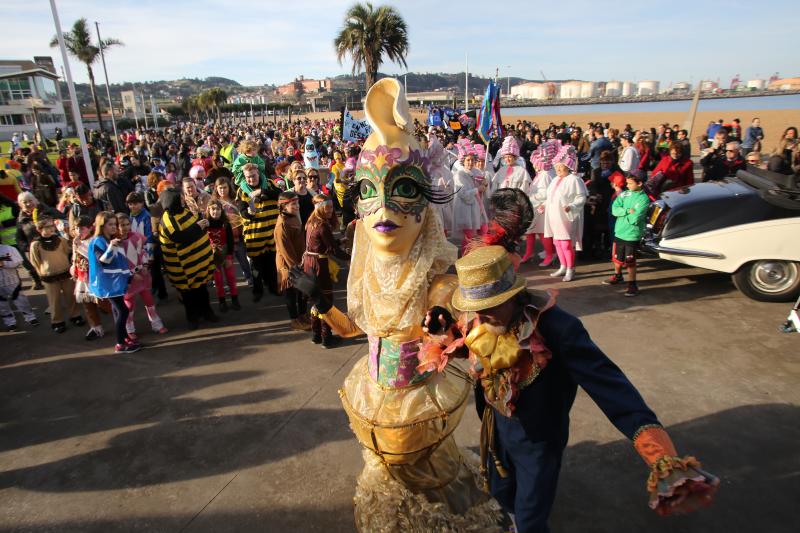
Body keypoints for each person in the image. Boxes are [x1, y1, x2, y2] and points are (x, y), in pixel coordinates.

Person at [289, 78, 499, 531]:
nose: (384, 210)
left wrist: (451, 334)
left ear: (425, 205)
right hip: (377, 402)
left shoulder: (438, 277)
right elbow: (357, 330)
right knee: (391, 487)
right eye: (368, 191)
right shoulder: (367, 274)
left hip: (420, 410)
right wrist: (320, 303)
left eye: (402, 189)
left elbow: (475, 339)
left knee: (427, 483)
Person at [421, 245, 718, 532]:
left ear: (513, 295)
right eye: (475, 309)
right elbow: (471, 344)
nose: (479, 317)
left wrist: (659, 455)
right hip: (495, 430)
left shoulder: (559, 329)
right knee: (502, 492)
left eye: (488, 308)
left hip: (539, 441)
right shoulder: (480, 319)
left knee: (530, 517)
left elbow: (612, 388)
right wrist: (444, 330)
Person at [158, 190, 216, 329]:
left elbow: (194, 226)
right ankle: (193, 318)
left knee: (202, 289)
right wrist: (198, 226)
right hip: (184, 267)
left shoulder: (184, 211)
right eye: (180, 198)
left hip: (197, 263)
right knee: (189, 295)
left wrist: (201, 223)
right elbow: (178, 237)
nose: (183, 200)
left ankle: (207, 313)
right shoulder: (168, 219)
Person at [88, 212, 140, 354]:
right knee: (123, 310)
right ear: (101, 225)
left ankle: (123, 338)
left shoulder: (109, 239)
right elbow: (103, 261)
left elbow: (121, 262)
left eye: (114, 224)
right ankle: (120, 343)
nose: (113, 227)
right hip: (108, 284)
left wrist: (128, 278)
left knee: (119, 311)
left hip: (115, 283)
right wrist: (112, 247)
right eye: (110, 224)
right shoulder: (98, 241)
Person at [29, 216, 84, 334]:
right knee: (54, 300)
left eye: (52, 226)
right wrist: (42, 272)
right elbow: (35, 261)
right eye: (47, 227)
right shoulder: (36, 244)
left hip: (64, 272)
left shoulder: (61, 240)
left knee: (70, 296)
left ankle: (75, 315)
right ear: (40, 229)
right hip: (49, 276)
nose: (51, 229)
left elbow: (67, 252)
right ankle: (57, 321)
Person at [117, 212, 167, 339]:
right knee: (129, 304)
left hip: (142, 274)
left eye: (127, 224)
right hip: (128, 279)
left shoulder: (136, 237)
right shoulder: (115, 243)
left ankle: (156, 323)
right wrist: (132, 275)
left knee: (149, 299)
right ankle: (129, 328)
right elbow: (119, 263)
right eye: (122, 225)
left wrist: (145, 266)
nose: (125, 227)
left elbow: (143, 252)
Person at [236, 162, 282, 301]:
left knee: (273, 263)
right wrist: (249, 213)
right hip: (255, 235)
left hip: (272, 232)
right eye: (248, 177)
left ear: (258, 173)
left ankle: (274, 286)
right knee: (256, 266)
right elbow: (242, 211)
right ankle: (258, 290)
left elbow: (280, 195)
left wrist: (262, 191)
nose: (251, 179)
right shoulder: (241, 190)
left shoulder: (269, 183)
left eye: (253, 176)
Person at [303, 194, 342, 347]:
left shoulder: (311, 221)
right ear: (320, 208)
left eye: (332, 207)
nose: (331, 210)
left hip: (309, 262)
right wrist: (352, 256)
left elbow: (320, 243)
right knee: (325, 301)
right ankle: (327, 337)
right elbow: (333, 249)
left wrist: (337, 241)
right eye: (328, 207)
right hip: (319, 264)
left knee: (316, 300)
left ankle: (316, 335)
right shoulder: (322, 225)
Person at [543, 144, 587, 282]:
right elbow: (550, 197)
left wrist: (572, 206)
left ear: (568, 167)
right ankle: (563, 266)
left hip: (566, 216)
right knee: (557, 242)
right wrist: (543, 205)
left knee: (566, 243)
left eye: (561, 167)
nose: (558, 170)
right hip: (553, 216)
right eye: (556, 167)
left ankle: (570, 268)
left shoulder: (575, 179)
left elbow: (581, 197)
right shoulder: (555, 180)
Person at [603, 175, 650, 296]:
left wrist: (623, 214)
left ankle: (632, 284)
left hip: (632, 234)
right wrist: (627, 211)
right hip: (619, 231)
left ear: (639, 184)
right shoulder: (624, 194)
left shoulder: (643, 199)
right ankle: (618, 276)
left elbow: (636, 217)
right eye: (627, 183)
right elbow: (614, 209)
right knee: (617, 257)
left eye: (630, 183)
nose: (627, 186)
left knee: (630, 261)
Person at [274, 191, 309, 331]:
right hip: (288, 265)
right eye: (293, 204)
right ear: (283, 207)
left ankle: (302, 315)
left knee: (301, 292)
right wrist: (297, 267)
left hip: (299, 261)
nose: (297, 206)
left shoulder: (293, 217)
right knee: (291, 293)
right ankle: (294, 319)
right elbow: (285, 250)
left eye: (297, 203)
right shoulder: (282, 225)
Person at [211, 176, 252, 286]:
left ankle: (249, 277)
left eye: (225, 187)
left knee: (243, 259)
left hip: (238, 235)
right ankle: (227, 284)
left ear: (229, 187)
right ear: (216, 188)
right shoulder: (214, 203)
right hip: (223, 238)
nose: (223, 190)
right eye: (220, 188)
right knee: (226, 263)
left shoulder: (235, 200)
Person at [70, 215, 107, 340]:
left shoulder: (95, 240)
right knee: (87, 304)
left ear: (91, 228)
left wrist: (80, 246)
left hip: (96, 277)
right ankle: (96, 327)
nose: (79, 231)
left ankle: (124, 322)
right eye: (76, 228)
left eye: (82, 228)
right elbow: (75, 258)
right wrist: (73, 267)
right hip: (83, 277)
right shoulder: (76, 240)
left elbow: (95, 258)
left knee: (104, 303)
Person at [525, 141, 558, 265]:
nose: (534, 165)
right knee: (537, 231)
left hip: (541, 208)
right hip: (538, 206)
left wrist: (531, 196)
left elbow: (545, 193)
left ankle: (550, 255)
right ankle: (548, 252)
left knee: (543, 232)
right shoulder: (543, 174)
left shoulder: (545, 175)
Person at [205, 200, 241, 313]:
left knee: (231, 277)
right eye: (213, 209)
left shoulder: (226, 224)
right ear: (209, 210)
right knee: (218, 280)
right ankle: (222, 301)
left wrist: (230, 255)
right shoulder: (206, 224)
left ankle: (235, 299)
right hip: (213, 256)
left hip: (226, 253)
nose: (215, 211)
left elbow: (230, 241)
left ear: (221, 210)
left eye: (218, 209)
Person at [453, 149, 487, 254]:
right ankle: (465, 258)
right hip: (466, 209)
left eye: (472, 160)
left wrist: (485, 184)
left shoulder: (477, 172)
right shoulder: (459, 174)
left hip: (478, 207)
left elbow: (483, 188)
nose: (470, 162)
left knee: (484, 230)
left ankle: (478, 256)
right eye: (468, 160)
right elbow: (463, 194)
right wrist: (478, 189)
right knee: (469, 236)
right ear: (463, 161)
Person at [0, 242, 38, 331]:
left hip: (12, 281)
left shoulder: (8, 248)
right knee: (2, 305)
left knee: (21, 300)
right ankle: (10, 323)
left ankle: (30, 317)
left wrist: (4, 264)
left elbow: (19, 261)